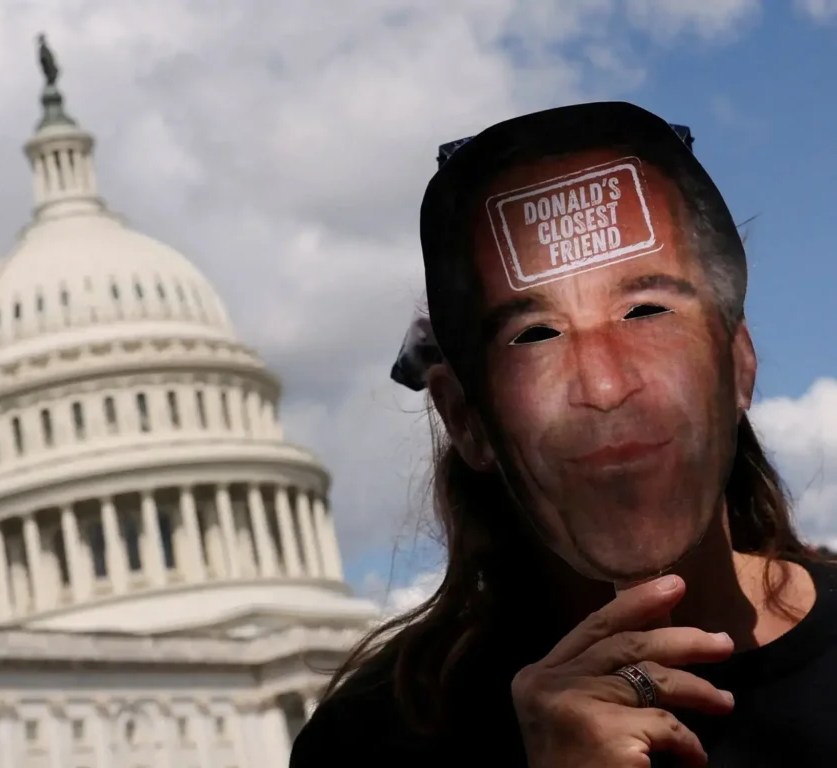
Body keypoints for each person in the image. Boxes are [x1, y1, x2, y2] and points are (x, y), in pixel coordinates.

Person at [290, 102, 837, 767]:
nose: (605, 388)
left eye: (646, 312)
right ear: (467, 419)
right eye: (535, 336)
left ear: (736, 365)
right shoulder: (373, 744)